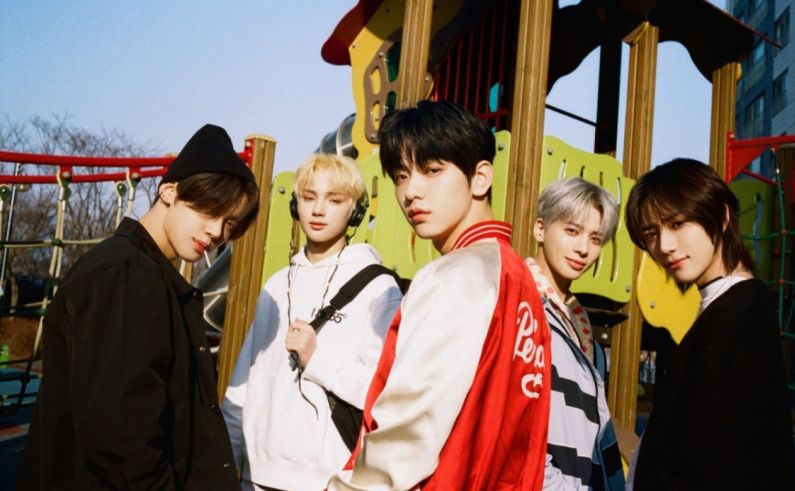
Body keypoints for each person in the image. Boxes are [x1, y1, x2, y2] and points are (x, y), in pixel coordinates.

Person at [18, 124, 260, 490]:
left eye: (230, 222)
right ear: (169, 190)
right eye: (209, 209)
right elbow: (119, 436)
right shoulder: (127, 276)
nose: (217, 231)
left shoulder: (149, 276)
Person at [327, 100, 551, 490]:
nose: (411, 191)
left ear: (480, 177)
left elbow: (412, 425)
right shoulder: (517, 276)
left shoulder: (456, 274)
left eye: (432, 170)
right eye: (400, 175)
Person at [222, 153, 403, 491]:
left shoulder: (379, 288)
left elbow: (384, 393)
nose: (319, 210)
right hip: (254, 477)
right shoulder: (276, 284)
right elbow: (242, 386)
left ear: (356, 211)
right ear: (295, 205)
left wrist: (316, 359)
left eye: (334, 200)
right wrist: (224, 464)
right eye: (308, 197)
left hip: (325, 480)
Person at [624, 158, 795, 489]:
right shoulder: (731, 308)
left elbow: (712, 467)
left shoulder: (734, 322)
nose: (664, 246)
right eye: (651, 233)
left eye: (676, 224)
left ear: (721, 215)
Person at [526, 177, 625, 490]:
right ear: (540, 229)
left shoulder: (581, 327)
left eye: (596, 239)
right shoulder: (522, 307)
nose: (583, 249)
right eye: (572, 231)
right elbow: (516, 433)